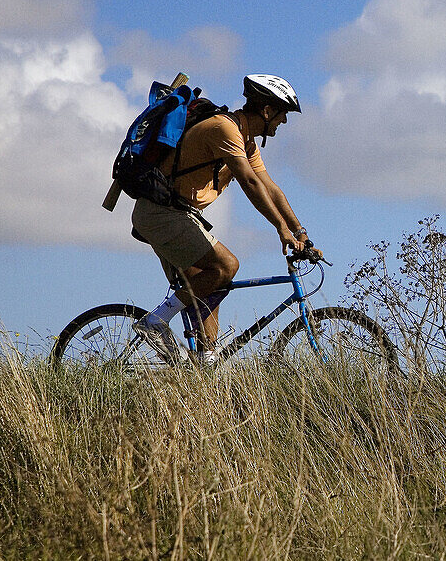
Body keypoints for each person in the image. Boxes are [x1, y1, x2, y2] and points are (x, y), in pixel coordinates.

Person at [130, 74, 319, 363]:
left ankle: (205, 364)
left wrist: (300, 231)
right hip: (161, 213)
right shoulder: (224, 129)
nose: (283, 123)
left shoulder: (247, 142)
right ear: (267, 111)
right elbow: (250, 183)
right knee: (226, 266)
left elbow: (270, 186)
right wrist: (281, 230)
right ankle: (154, 322)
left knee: (210, 286)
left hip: (178, 214)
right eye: (282, 115)